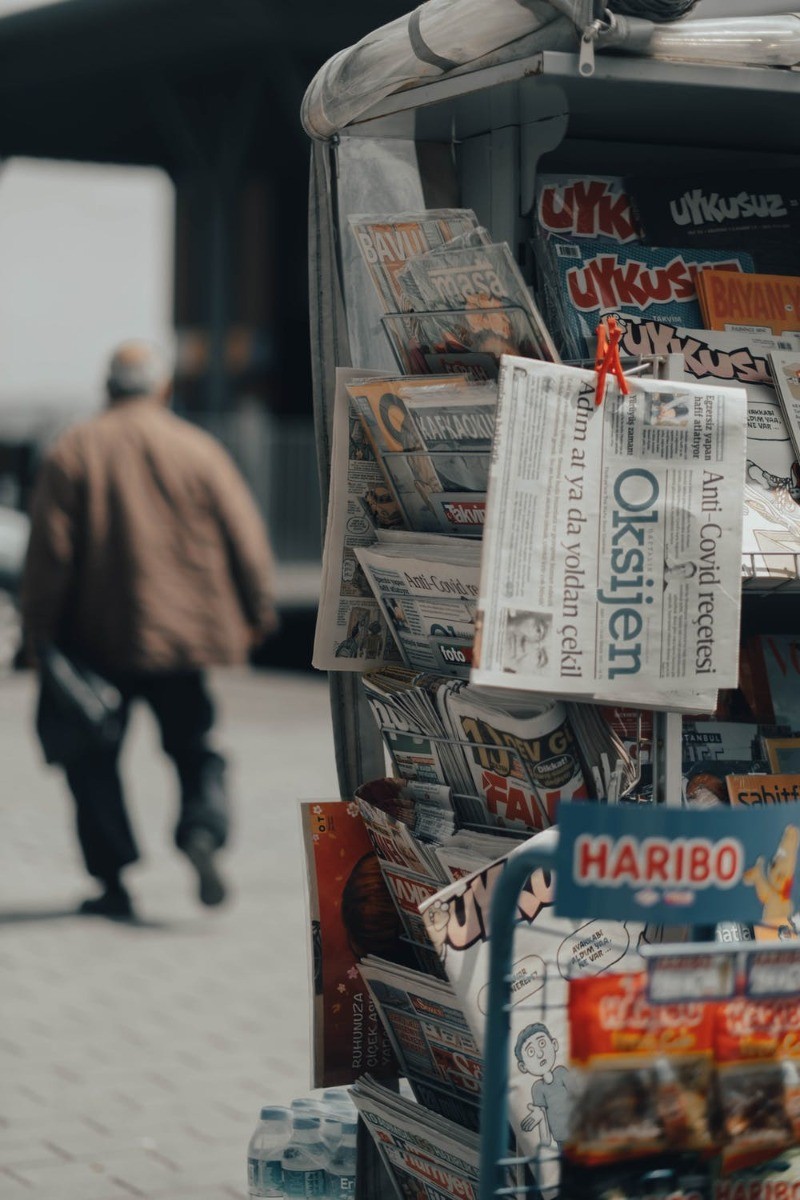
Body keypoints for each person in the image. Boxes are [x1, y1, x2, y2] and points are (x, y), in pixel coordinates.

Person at [20, 341, 279, 920]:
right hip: (182, 641)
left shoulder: (75, 449)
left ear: (108, 387)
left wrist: (38, 634)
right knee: (194, 746)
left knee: (91, 759)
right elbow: (246, 537)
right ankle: (202, 831)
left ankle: (113, 881)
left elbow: (49, 556)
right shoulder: (198, 449)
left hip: (96, 640)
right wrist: (258, 609)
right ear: (162, 388)